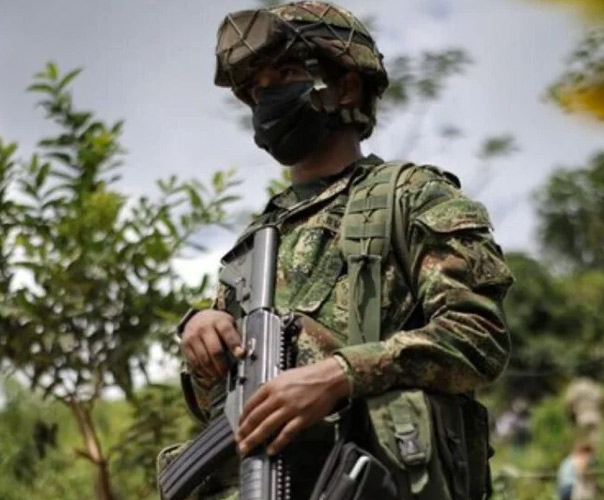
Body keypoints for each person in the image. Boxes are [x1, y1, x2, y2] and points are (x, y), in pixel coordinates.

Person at [162, 2, 514, 500]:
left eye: (285, 74)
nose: (267, 97)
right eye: (256, 88)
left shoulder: (412, 196)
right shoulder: (257, 243)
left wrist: (340, 376)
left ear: (346, 86)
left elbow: (478, 339)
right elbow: (215, 406)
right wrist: (204, 342)